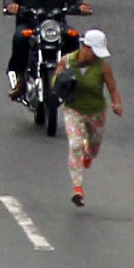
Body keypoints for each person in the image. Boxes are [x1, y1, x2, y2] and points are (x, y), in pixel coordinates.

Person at [54, 27, 119, 204]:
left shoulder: (103, 67)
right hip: (74, 110)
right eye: (93, 52)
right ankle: (77, 188)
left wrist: (116, 103)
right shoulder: (67, 61)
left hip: (96, 112)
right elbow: (55, 80)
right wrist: (62, 83)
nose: (96, 56)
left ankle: (88, 154)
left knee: (94, 147)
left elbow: (112, 88)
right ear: (84, 47)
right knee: (75, 145)